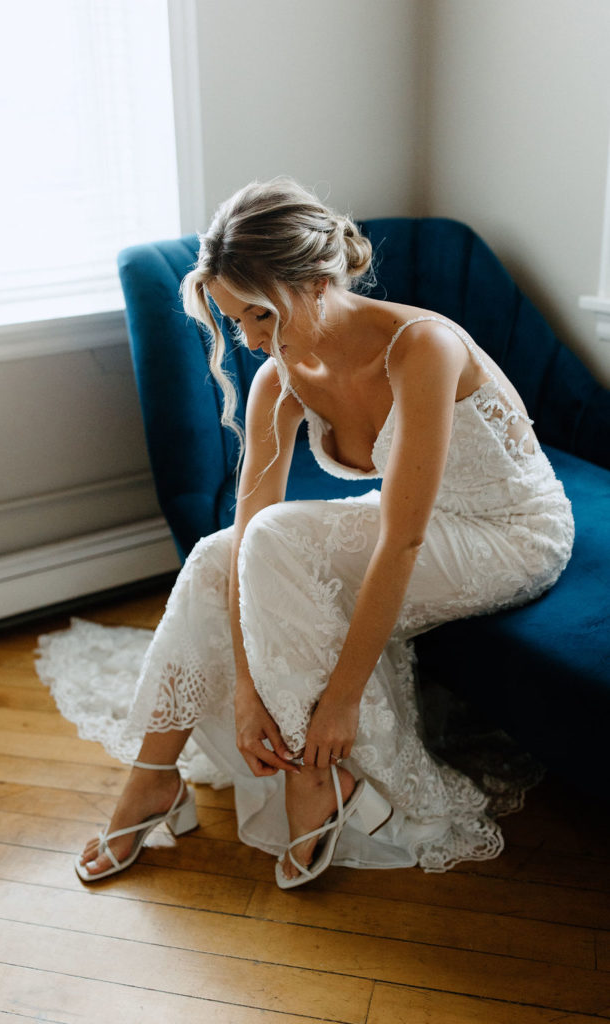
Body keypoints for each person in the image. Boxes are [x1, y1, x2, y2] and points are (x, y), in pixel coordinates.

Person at [37, 178, 574, 888]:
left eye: (261, 317)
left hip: (508, 534)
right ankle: (151, 777)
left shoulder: (422, 347)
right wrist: (245, 696)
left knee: (278, 539)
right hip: (414, 520)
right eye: (237, 323)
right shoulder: (278, 376)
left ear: (318, 282)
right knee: (215, 554)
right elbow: (246, 525)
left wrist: (339, 703)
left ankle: (315, 778)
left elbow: (402, 542)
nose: (253, 343)